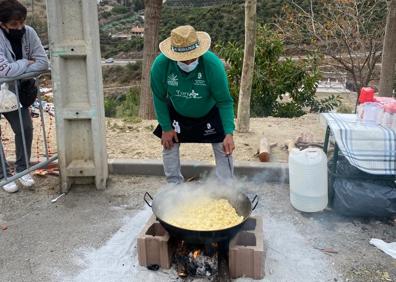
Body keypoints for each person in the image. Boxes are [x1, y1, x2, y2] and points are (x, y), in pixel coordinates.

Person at [151, 25, 235, 184]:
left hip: (209, 110)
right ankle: (174, 185)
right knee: (168, 143)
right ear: (173, 54)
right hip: (177, 109)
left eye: (193, 56)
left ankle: (226, 187)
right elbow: (159, 97)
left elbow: (224, 101)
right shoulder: (161, 65)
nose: (189, 61)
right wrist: (166, 127)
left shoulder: (212, 65)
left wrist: (229, 132)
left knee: (224, 146)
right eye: (183, 58)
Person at [0, 0, 49, 193]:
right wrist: (25, 63)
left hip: (16, 92)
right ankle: (3, 174)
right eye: (14, 24)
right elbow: (3, 71)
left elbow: (43, 63)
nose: (19, 27)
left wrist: (16, 69)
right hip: (5, 87)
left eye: (21, 22)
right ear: (2, 24)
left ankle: (22, 169)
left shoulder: (29, 32)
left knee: (25, 128)